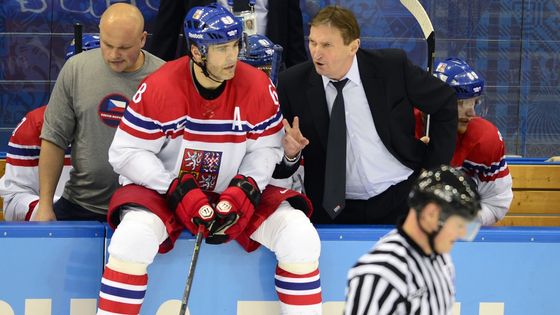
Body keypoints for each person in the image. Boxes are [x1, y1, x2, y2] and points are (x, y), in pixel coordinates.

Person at [97, 4, 322, 315]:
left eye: (234, 46)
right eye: (220, 48)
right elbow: (124, 152)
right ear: (196, 51)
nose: (232, 57)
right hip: (168, 193)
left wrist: (245, 187)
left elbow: (265, 150)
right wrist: (174, 187)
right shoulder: (160, 86)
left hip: (234, 192)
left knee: (300, 235)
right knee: (130, 239)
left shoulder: (258, 86)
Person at [275, 5, 458, 225]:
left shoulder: (390, 68)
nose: (316, 52)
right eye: (312, 42)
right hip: (333, 209)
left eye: (326, 45)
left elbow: (445, 102)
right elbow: (280, 163)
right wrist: (291, 155)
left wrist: (432, 169)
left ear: (353, 46)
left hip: (401, 196)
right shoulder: (292, 84)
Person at [37, 3, 165, 221]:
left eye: (124, 47)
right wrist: (45, 204)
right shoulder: (76, 69)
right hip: (80, 203)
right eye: (107, 44)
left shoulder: (165, 78)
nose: (114, 54)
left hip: (143, 208)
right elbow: (53, 139)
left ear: (142, 39)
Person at [344, 165, 481, 314]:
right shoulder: (379, 275)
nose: (461, 234)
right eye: (458, 225)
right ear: (431, 214)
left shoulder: (442, 259)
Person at [0, 35, 100, 221]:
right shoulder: (36, 124)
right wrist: (59, 210)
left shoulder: (131, 121)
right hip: (54, 238)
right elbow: (13, 199)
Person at [416, 58, 513, 225]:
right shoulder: (405, 126)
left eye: (474, 103)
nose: (471, 113)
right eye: (461, 103)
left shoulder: (485, 139)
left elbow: (495, 204)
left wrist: (461, 223)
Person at [148, 0, 308, 68]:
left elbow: (294, 38)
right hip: (206, 74)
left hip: (266, 74)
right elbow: (165, 35)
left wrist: (300, 86)